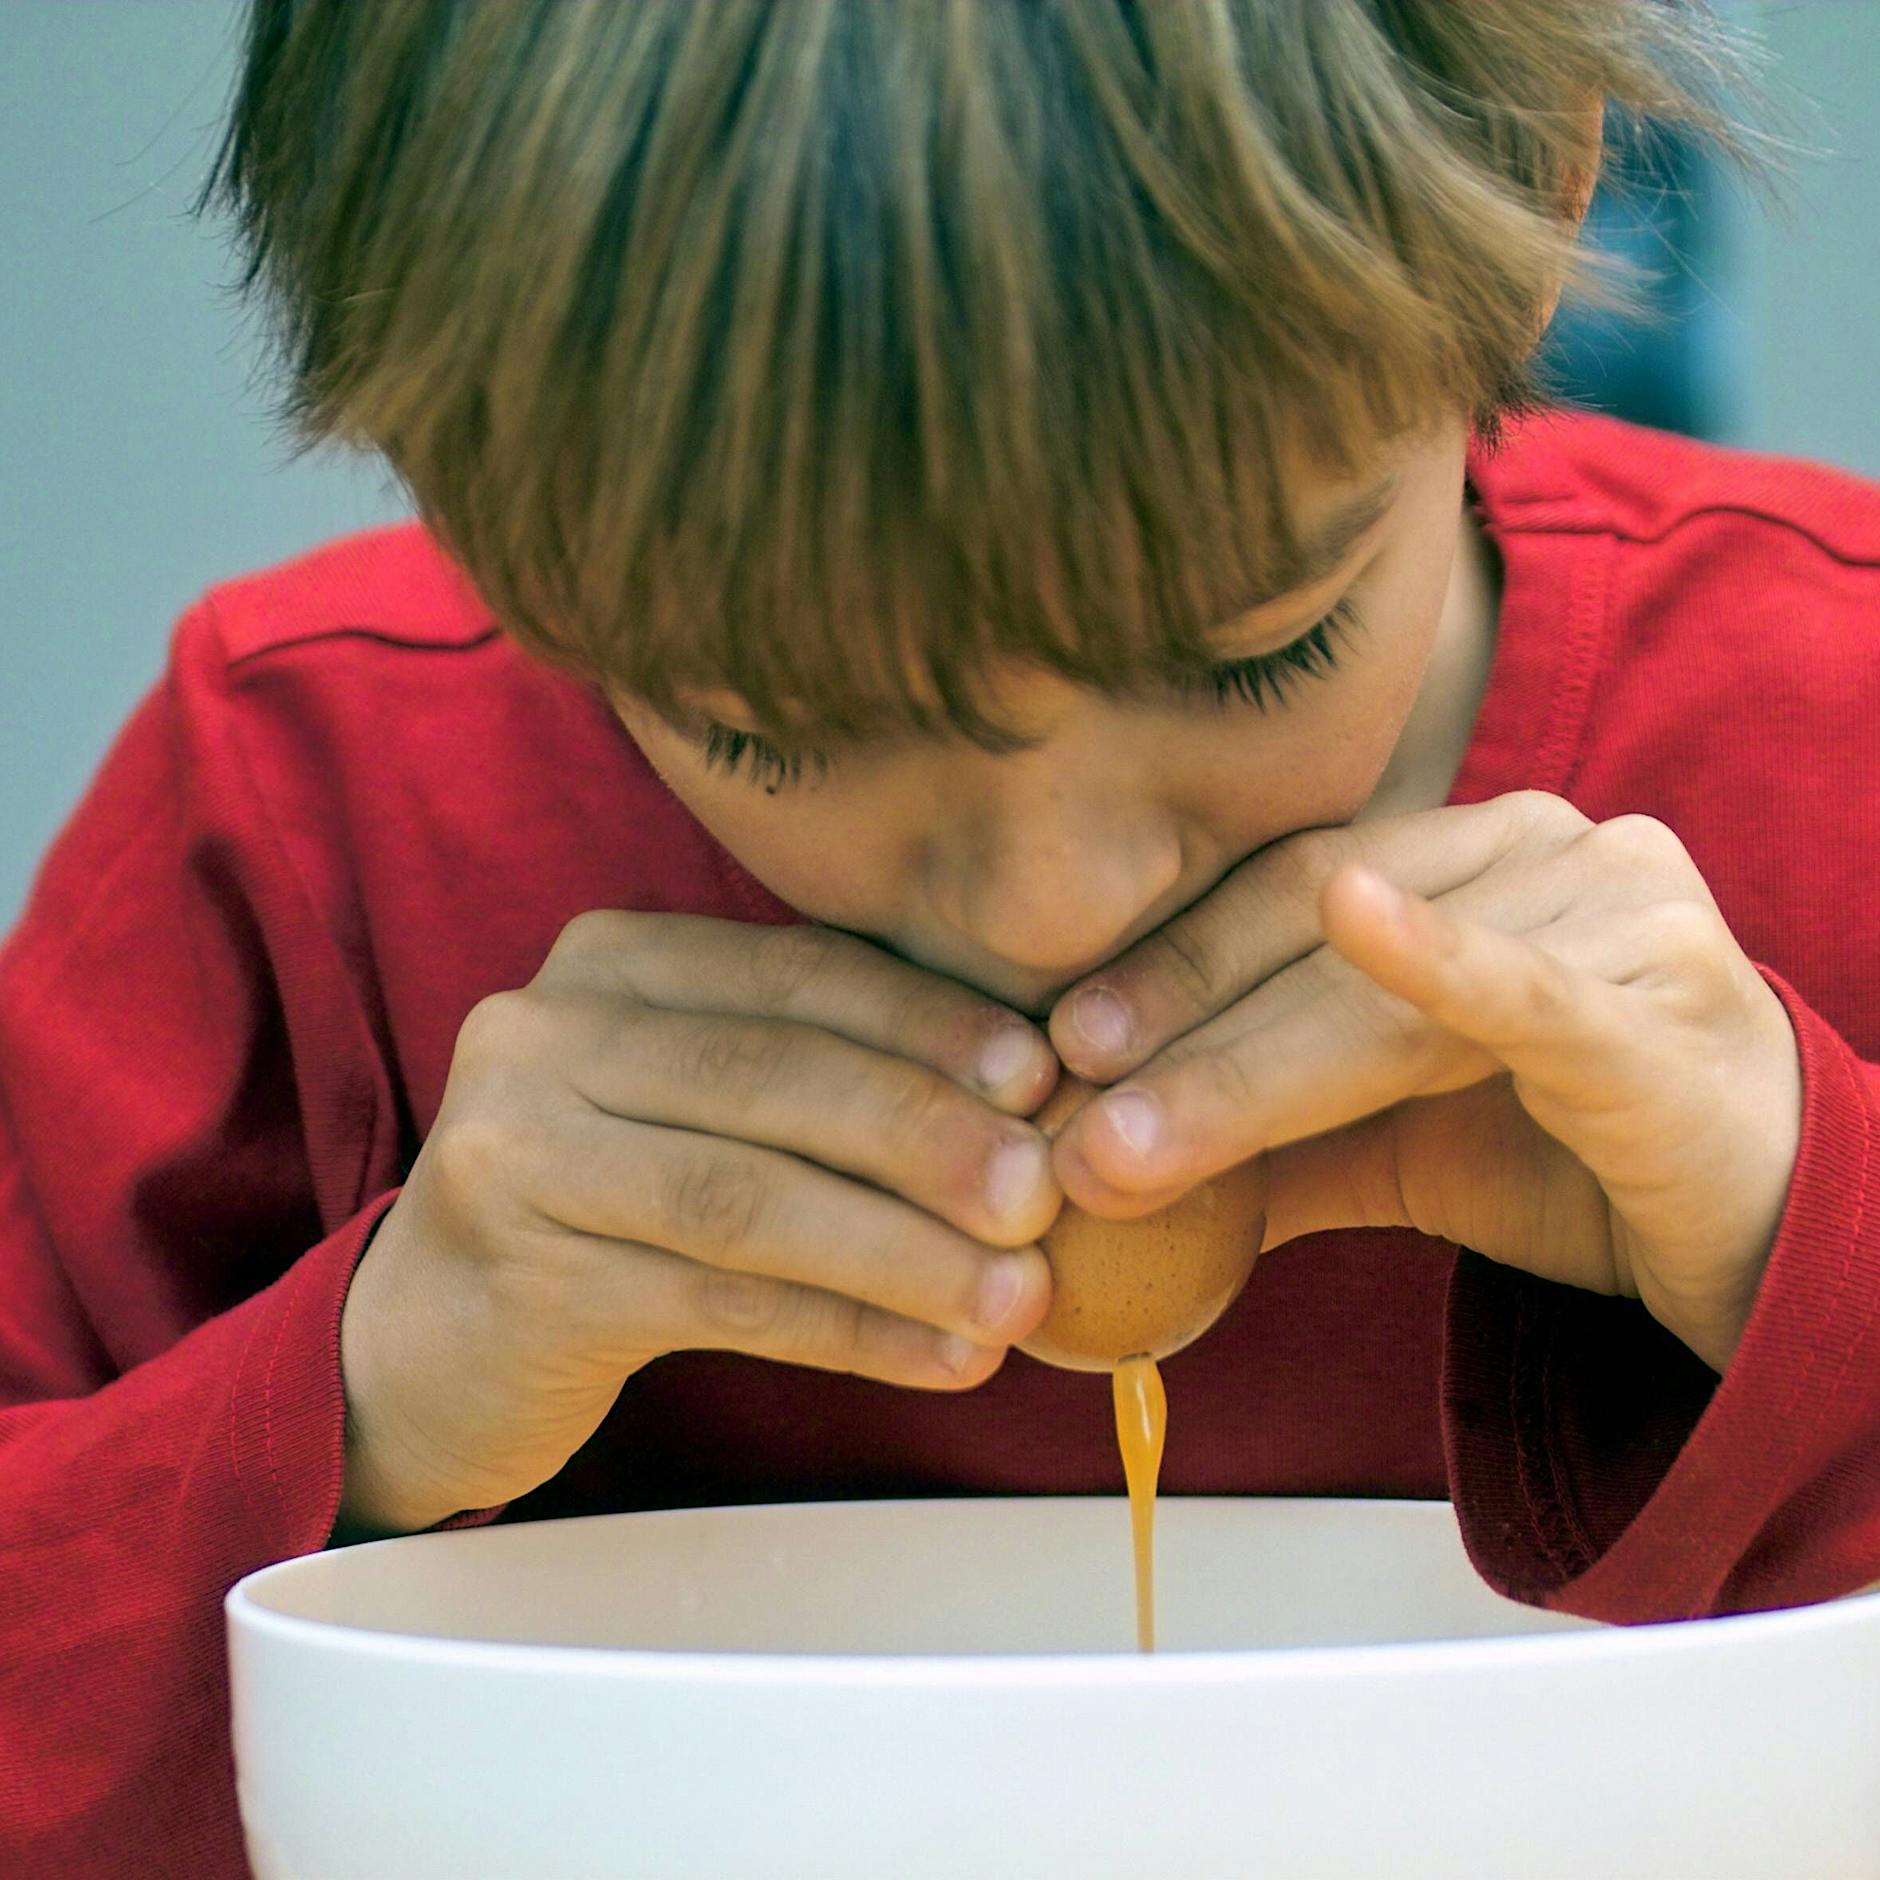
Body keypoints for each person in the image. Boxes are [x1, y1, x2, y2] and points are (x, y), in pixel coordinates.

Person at [4, 2, 1872, 1873]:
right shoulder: (304, 817)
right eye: (767, 716)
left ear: (1545, 196)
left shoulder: (1829, 728)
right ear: (449, 480)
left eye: (1255, 648)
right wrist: (360, 1405)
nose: (1057, 907)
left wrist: (1812, 1251)